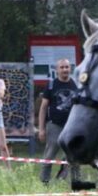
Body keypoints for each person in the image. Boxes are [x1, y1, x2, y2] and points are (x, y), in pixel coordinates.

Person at [37, 58, 81, 186]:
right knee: (49, 156)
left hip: (73, 127)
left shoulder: (76, 85)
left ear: (70, 69)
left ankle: (76, 183)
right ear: (57, 70)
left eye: (66, 67)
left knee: (74, 156)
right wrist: (41, 129)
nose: (64, 70)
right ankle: (44, 183)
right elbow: (43, 107)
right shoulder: (51, 86)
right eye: (61, 67)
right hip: (55, 126)